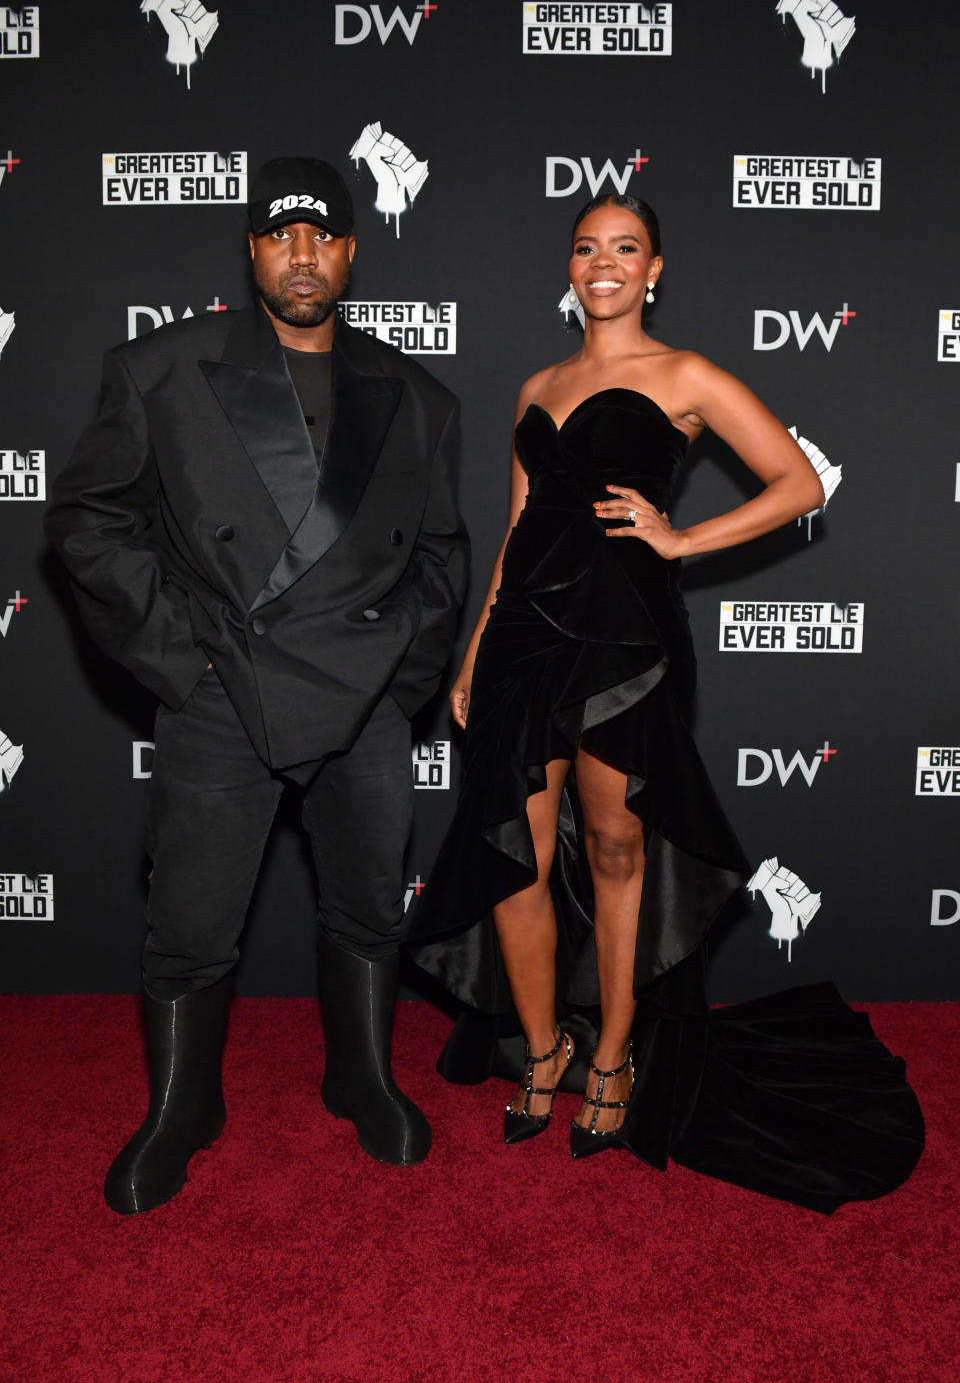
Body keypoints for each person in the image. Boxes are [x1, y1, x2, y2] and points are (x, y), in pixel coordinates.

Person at [407, 194, 923, 1212]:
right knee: (518, 843)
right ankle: (543, 1040)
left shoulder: (683, 376)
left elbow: (799, 483)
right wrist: (472, 654)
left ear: (655, 271)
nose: (604, 263)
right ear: (572, 269)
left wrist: (682, 541)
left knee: (613, 847)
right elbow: (515, 532)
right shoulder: (538, 385)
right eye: (587, 248)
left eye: (625, 249)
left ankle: (612, 1053)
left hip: (624, 638)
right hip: (522, 643)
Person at [45, 157, 469, 1213]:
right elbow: (87, 523)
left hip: (365, 697)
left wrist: (400, 676)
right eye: (281, 235)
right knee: (189, 920)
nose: (302, 255)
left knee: (370, 906)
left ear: (351, 249)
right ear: (250, 249)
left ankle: (360, 1073)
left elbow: (445, 557)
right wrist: (181, 660)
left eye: (322, 234)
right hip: (223, 692)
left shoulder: (417, 395)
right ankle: (182, 1106)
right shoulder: (160, 370)